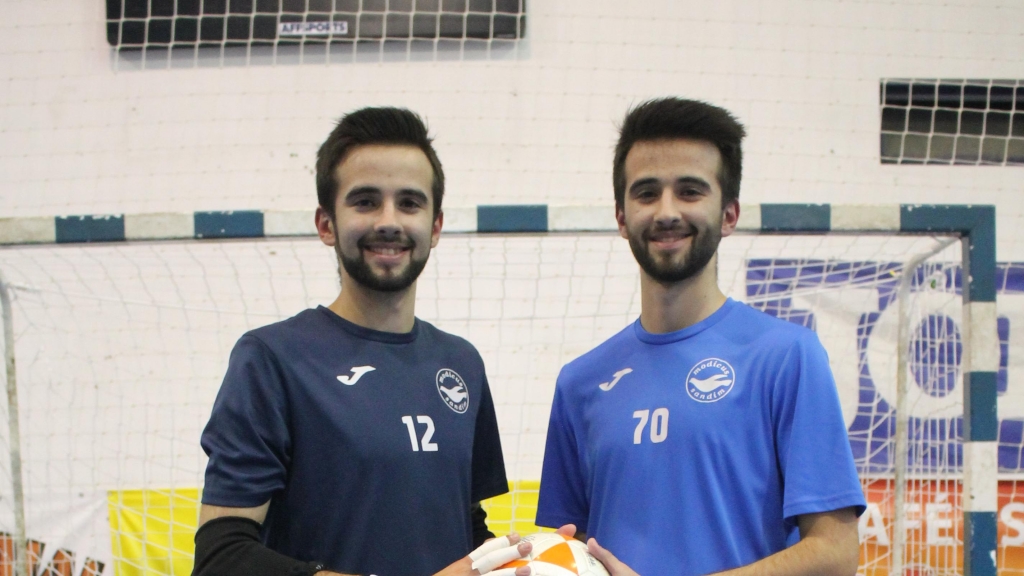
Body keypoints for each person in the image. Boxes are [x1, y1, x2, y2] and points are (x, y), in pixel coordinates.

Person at [535, 98, 867, 576]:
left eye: (690, 191)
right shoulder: (579, 382)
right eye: (647, 193)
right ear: (622, 216)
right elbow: (564, 554)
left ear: (729, 214)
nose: (667, 211)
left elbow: (835, 555)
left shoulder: (787, 357)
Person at [193, 107, 531, 576]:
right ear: (326, 224)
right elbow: (221, 557)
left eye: (409, 203)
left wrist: (529, 560)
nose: (389, 221)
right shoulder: (271, 360)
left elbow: (466, 528)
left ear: (435, 227)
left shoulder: (462, 364)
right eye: (366, 202)